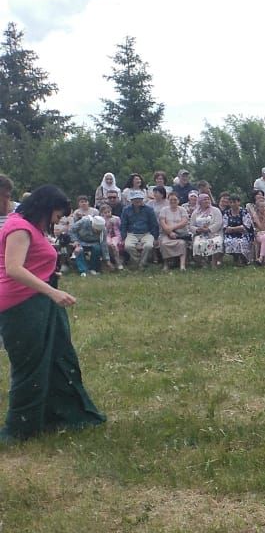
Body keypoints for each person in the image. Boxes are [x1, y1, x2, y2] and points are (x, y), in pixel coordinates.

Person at [0, 185, 106, 442]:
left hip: (36, 302)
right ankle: (20, 428)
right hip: (19, 305)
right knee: (31, 365)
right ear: (45, 208)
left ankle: (59, 413)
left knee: (56, 358)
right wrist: (52, 291)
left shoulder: (28, 226)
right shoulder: (20, 228)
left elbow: (30, 263)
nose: (58, 221)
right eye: (57, 215)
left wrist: (48, 274)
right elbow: (13, 268)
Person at [120, 190, 159, 269]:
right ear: (131, 200)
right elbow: (123, 225)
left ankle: (141, 264)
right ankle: (139, 261)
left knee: (148, 246)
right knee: (128, 246)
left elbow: (154, 224)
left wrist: (155, 237)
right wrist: (123, 238)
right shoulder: (126, 210)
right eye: (135, 199)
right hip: (132, 233)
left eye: (139, 198)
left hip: (146, 233)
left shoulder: (149, 210)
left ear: (142, 199)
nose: (137, 200)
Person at [157, 192, 190, 271]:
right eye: (171, 199)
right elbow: (162, 223)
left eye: (175, 199)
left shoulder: (182, 209)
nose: (173, 201)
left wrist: (171, 228)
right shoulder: (164, 210)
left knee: (182, 243)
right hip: (166, 234)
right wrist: (169, 232)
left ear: (178, 200)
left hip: (180, 234)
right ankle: (166, 264)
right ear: (168, 200)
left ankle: (182, 265)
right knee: (164, 243)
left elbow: (184, 222)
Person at [189, 192, 223, 267]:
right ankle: (202, 262)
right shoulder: (196, 212)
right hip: (200, 234)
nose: (207, 201)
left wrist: (208, 229)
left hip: (213, 233)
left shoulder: (215, 210)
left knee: (216, 242)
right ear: (200, 202)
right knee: (197, 244)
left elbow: (218, 223)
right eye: (204, 199)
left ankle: (214, 262)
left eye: (208, 199)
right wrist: (198, 229)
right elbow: (191, 225)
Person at [70, 206, 106, 277]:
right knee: (79, 250)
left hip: (94, 242)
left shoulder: (103, 229)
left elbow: (104, 243)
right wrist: (75, 240)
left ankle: (93, 269)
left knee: (97, 248)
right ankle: (83, 270)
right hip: (81, 240)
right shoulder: (84, 221)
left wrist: (107, 259)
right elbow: (72, 230)